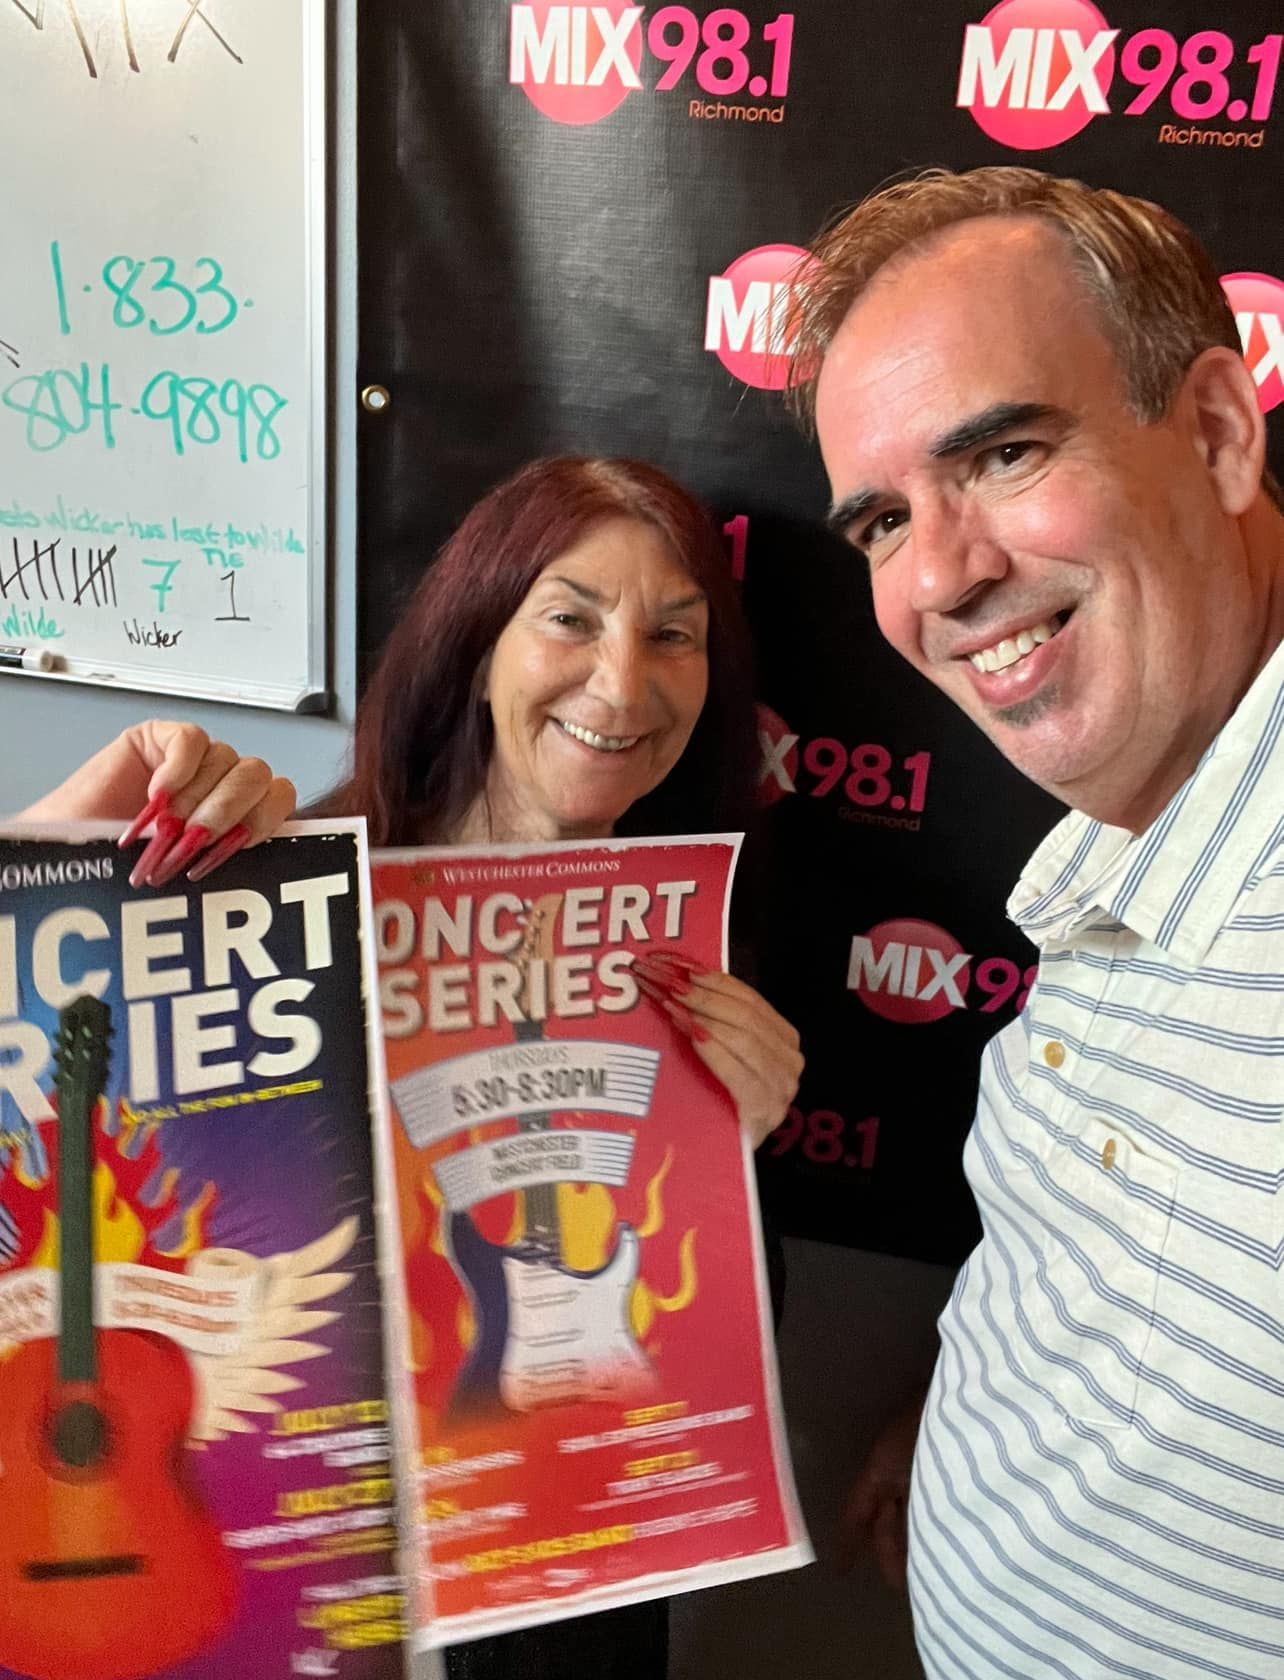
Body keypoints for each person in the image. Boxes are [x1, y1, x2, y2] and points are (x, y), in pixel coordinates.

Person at [19, 455, 804, 1680]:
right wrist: (105, 833)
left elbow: (691, 1374)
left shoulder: (701, 955)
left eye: (675, 635)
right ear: (478, 637)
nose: (622, 680)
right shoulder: (281, 900)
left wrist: (729, 1156)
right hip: (300, 1568)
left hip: (559, 1597)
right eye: (571, 617)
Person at [788, 165, 1284, 1678]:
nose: (939, 575)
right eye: (881, 520)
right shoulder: (1137, 818)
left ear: (1213, 431)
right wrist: (969, 1422)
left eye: (1002, 452)